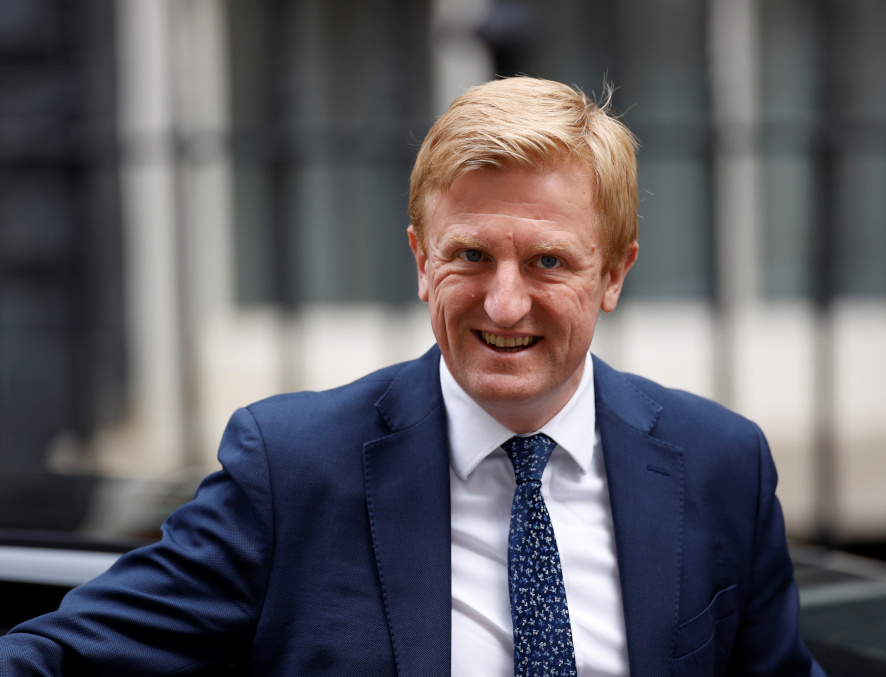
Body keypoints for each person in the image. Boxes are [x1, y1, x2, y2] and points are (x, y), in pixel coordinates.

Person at [0, 77, 824, 676]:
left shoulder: (720, 463)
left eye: (548, 261)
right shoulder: (290, 469)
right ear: (421, 262)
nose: (505, 304)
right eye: (470, 254)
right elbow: (55, 657)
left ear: (614, 273)